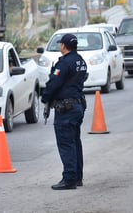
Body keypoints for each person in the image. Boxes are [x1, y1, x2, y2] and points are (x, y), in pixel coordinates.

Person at [41, 33, 88, 190]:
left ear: (63, 46)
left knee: (66, 144)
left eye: (61, 44)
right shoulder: (80, 61)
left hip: (66, 109)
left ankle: (69, 179)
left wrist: (45, 97)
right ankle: (77, 177)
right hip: (77, 106)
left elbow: (54, 83)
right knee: (74, 142)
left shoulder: (64, 63)